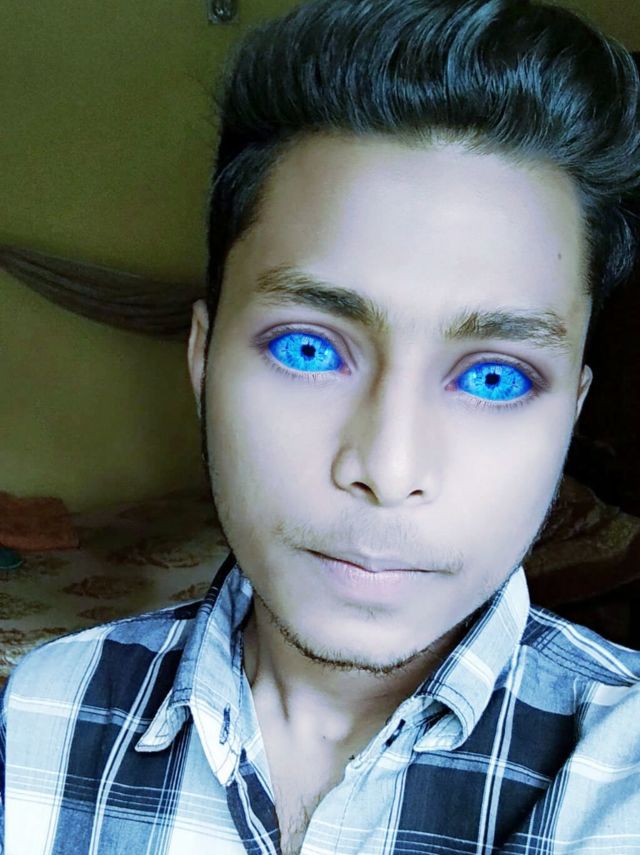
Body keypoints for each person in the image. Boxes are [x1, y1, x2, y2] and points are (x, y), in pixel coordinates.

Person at [3, 0, 640, 852]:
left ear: (573, 412)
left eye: (495, 376)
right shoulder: (39, 714)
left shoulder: (620, 775)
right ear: (201, 359)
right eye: (307, 348)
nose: (388, 466)